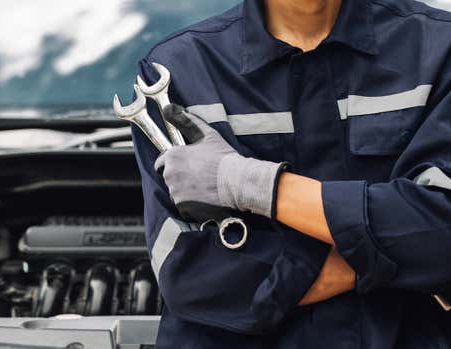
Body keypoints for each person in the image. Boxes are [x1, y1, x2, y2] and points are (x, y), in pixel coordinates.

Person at [131, 0, 451, 348]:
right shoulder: (181, 72)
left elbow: (443, 233)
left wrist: (248, 182)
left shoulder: (439, 49)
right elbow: (190, 274)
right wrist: (396, 257)